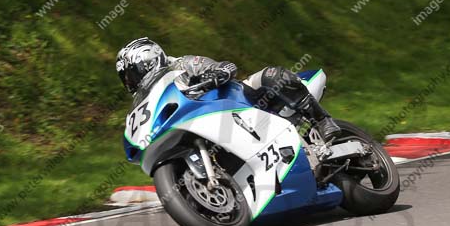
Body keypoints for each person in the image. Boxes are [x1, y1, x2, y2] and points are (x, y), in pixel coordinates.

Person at [116, 37, 341, 142]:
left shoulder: (181, 64)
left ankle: (322, 121)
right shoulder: (152, 99)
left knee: (272, 76)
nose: (131, 82)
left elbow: (216, 66)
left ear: (148, 60)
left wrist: (218, 71)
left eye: (132, 74)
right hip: (207, 125)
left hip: (239, 99)